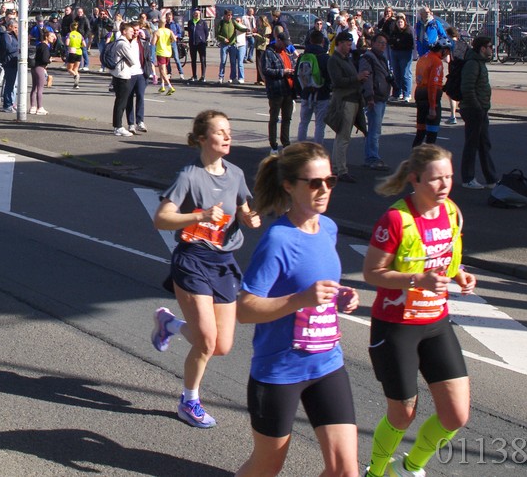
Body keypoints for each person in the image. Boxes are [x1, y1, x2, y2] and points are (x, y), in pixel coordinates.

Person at [233, 142, 360, 477]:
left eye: (330, 181)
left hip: (327, 363)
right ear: (289, 185)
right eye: (314, 183)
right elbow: (244, 309)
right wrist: (301, 299)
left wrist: (341, 296)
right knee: (267, 466)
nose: (324, 189)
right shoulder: (278, 240)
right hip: (279, 371)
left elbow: (315, 284)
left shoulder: (328, 228)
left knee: (345, 471)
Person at [363, 145, 477, 477]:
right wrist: (416, 280)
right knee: (402, 415)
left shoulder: (451, 211)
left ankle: (408, 468)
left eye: (449, 178)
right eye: (436, 179)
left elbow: (443, 257)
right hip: (396, 327)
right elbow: (371, 273)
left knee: (456, 415)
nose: (444, 186)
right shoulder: (395, 219)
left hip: (436, 323)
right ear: (414, 179)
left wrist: (459, 274)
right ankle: (375, 472)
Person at [149, 111, 260, 429]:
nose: (227, 136)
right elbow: (161, 219)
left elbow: (244, 209)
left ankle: (170, 325)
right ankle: (189, 401)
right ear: (201, 138)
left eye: (229, 130)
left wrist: (249, 218)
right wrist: (199, 216)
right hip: (192, 260)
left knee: (221, 346)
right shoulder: (189, 176)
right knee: (207, 342)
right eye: (220, 131)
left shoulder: (235, 174)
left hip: (224, 263)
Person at [325, 31, 367, 183]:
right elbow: (337, 81)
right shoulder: (334, 60)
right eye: (348, 44)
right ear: (340, 43)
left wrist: (359, 79)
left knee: (342, 137)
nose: (350, 47)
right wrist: (357, 77)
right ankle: (341, 170)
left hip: (352, 99)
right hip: (344, 100)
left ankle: (337, 167)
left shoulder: (346, 59)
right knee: (343, 137)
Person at [458, 36, 498, 189]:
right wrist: (477, 107)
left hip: (480, 109)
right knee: (472, 144)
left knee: (484, 144)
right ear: (482, 48)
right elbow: (467, 88)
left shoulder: (479, 63)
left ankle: (491, 178)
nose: (491, 49)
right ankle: (468, 178)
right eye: (490, 46)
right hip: (473, 109)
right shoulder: (473, 64)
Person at [360, 33, 394, 171]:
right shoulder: (368, 57)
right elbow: (367, 78)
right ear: (373, 43)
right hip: (375, 98)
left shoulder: (382, 57)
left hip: (382, 96)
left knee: (375, 129)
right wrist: (369, 97)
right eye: (380, 42)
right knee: (374, 130)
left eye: (384, 43)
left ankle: (372, 155)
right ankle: (372, 157)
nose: (382, 45)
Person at [261, 32, 297, 155]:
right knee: (274, 118)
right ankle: (273, 145)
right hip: (276, 90)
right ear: (278, 40)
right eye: (284, 43)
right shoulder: (269, 53)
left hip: (288, 90)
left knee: (287, 118)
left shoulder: (286, 52)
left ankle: (286, 143)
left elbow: (291, 64)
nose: (286, 46)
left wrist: (293, 70)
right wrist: (283, 71)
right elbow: (266, 70)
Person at [296, 30, 331, 145]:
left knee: (303, 123)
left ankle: (301, 148)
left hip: (306, 93)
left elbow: (297, 75)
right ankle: (317, 149)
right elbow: (329, 77)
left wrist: (300, 91)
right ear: (322, 41)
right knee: (320, 124)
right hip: (322, 94)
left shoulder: (303, 56)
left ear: (310, 41)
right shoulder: (325, 57)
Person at [110, 22, 145, 136]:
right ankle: (118, 127)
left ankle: (117, 126)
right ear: (124, 32)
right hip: (122, 75)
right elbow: (133, 60)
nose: (132, 33)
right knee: (121, 102)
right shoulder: (123, 44)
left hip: (120, 74)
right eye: (130, 31)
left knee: (120, 101)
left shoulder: (119, 42)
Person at [412, 43, 449, 147]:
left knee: (420, 132)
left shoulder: (423, 58)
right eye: (447, 52)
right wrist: (432, 107)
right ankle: (428, 155)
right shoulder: (437, 62)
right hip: (431, 96)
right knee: (431, 134)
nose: (447, 55)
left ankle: (415, 155)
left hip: (420, 93)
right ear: (443, 50)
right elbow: (433, 84)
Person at [387, 14, 415, 102]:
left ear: (404, 22)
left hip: (405, 53)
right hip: (395, 52)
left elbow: (410, 43)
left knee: (405, 74)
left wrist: (398, 42)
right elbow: (390, 41)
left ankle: (407, 94)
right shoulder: (394, 31)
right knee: (396, 74)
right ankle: (396, 94)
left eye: (401, 22)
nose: (400, 24)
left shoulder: (409, 30)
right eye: (398, 22)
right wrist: (396, 42)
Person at [29, 27, 54, 114]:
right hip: (40, 68)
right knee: (40, 88)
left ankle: (32, 107)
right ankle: (40, 107)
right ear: (46, 37)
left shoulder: (39, 45)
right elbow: (44, 59)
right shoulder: (45, 47)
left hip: (34, 67)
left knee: (34, 88)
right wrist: (49, 60)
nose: (53, 38)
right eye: (51, 36)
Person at [153, 17, 177, 95]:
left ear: (159, 23)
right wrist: (169, 41)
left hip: (161, 52)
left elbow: (153, 42)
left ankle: (170, 86)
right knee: (163, 69)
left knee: (162, 70)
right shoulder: (169, 31)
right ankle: (162, 85)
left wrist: (156, 41)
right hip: (168, 52)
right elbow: (174, 39)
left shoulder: (157, 32)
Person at [187, 8, 209, 82]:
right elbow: (189, 32)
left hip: (201, 43)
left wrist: (203, 39)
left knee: (202, 60)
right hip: (193, 43)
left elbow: (206, 32)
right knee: (193, 60)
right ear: (193, 14)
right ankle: (194, 75)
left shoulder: (203, 22)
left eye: (198, 13)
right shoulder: (190, 22)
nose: (196, 15)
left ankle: (203, 76)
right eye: (195, 13)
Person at [65, 19, 86, 89]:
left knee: (69, 69)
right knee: (76, 68)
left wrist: (70, 44)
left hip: (72, 51)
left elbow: (67, 43)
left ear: (70, 28)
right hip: (79, 51)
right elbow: (84, 44)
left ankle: (75, 76)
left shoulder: (69, 34)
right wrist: (79, 45)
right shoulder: (80, 35)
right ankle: (76, 84)